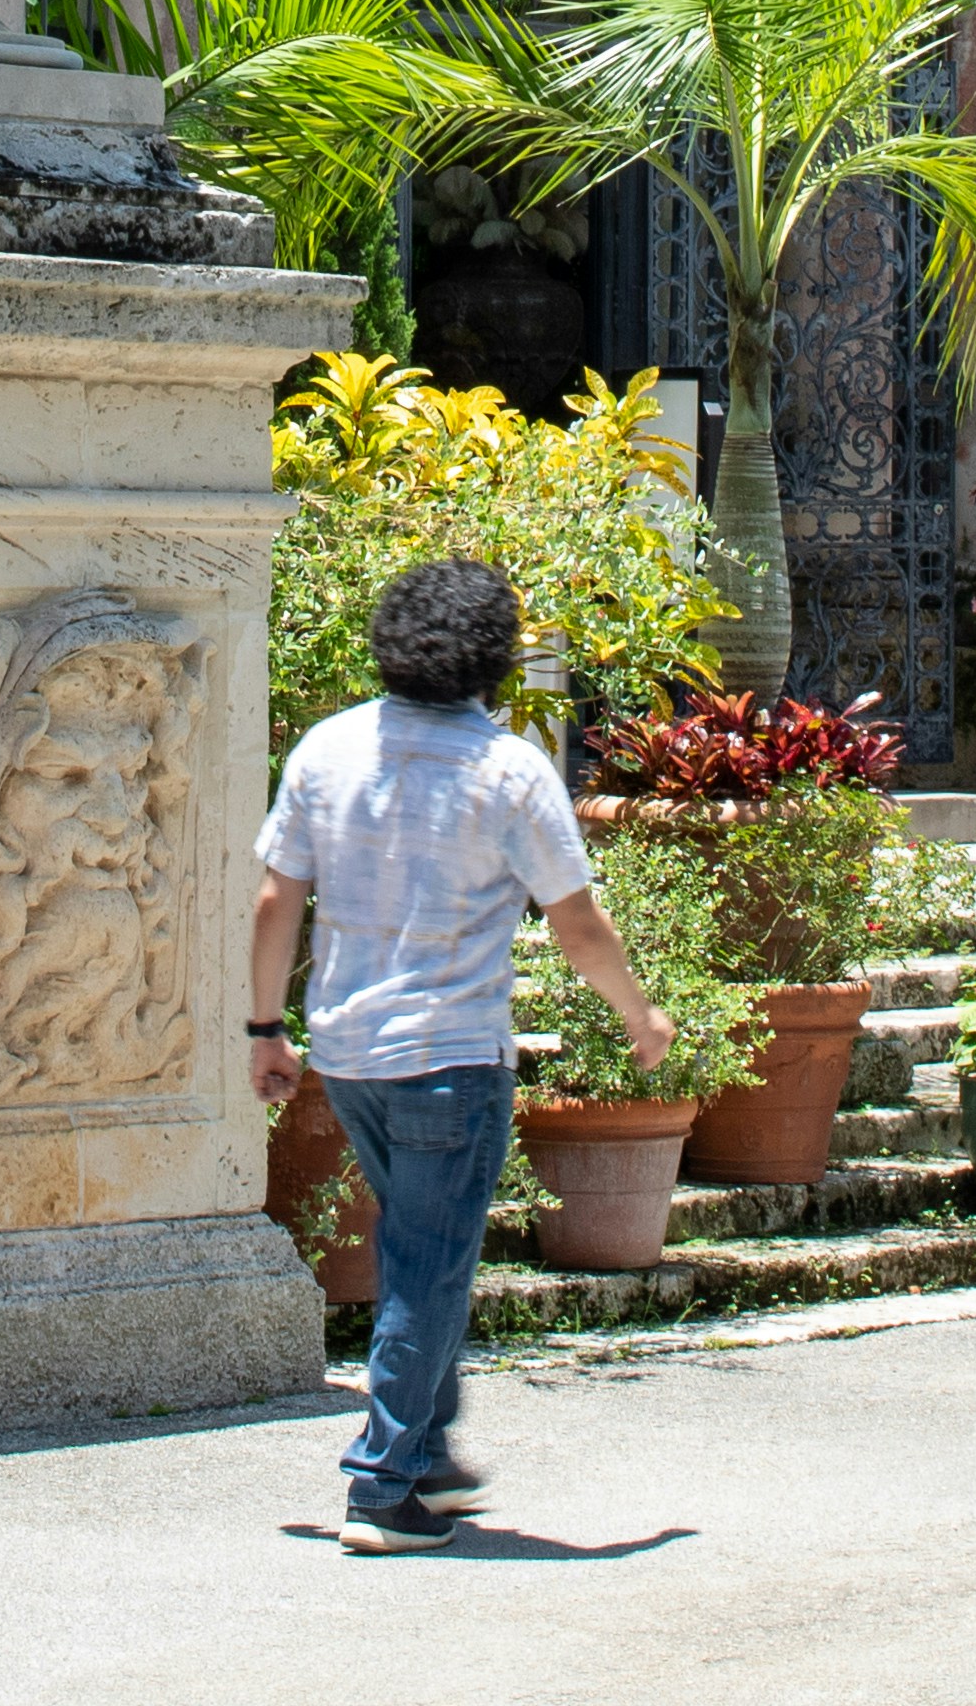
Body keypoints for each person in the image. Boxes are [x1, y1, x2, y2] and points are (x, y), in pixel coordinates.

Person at [250, 555, 674, 1552]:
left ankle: (429, 1453)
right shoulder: (510, 770)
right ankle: (383, 1483)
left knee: (422, 1246)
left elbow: (276, 898)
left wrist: (264, 1028)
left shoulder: (327, 749)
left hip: (350, 1051)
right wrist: (639, 1014)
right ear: (496, 657)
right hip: (451, 1056)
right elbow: (577, 924)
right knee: (428, 1267)